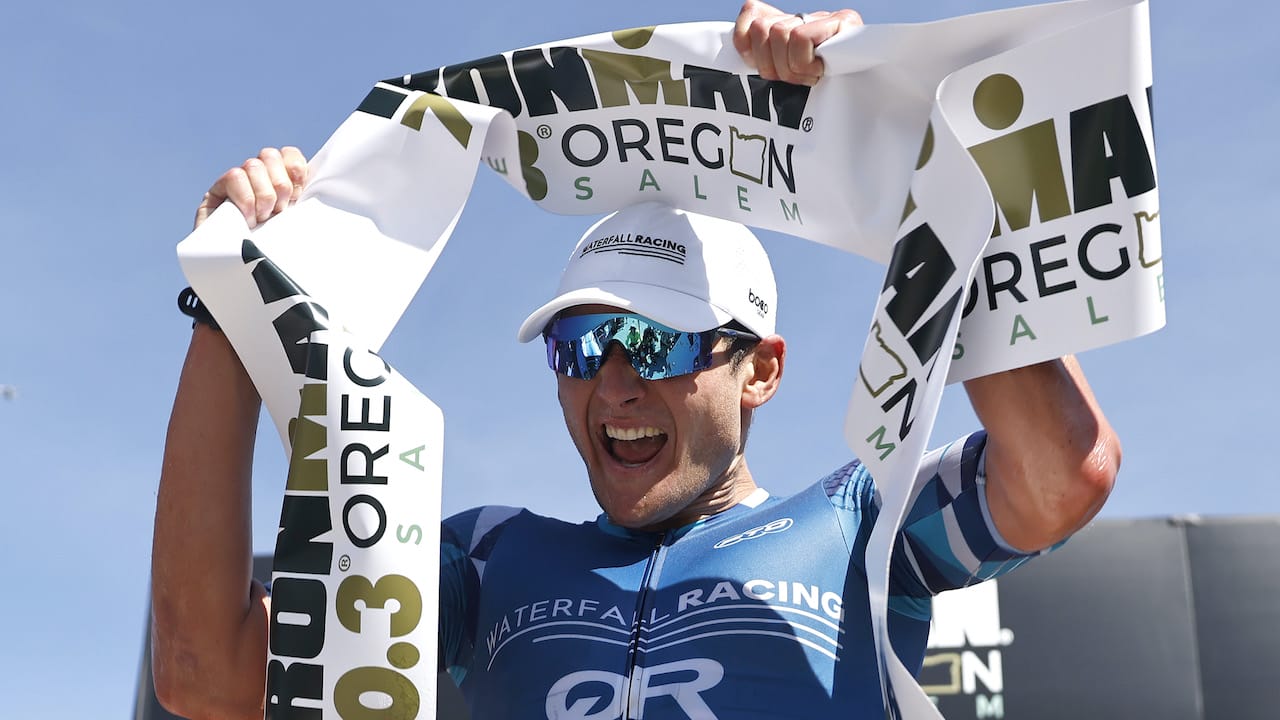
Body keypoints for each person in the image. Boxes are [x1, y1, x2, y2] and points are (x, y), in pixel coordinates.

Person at [150, 2, 1120, 718]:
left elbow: (1060, 475)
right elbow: (206, 675)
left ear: (760, 370)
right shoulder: (483, 558)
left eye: (652, 342)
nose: (610, 381)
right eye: (577, 346)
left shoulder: (861, 524)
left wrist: (913, 163)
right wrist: (229, 305)